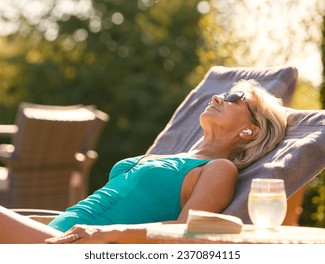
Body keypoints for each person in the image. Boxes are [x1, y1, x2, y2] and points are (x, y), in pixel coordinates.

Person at [0, 79, 287, 244]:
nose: (218, 97)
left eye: (234, 97)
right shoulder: (179, 157)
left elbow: (183, 232)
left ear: (250, 130)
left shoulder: (218, 169)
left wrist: (109, 233)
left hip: (81, 249)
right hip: (57, 234)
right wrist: (24, 221)